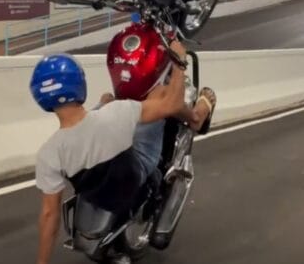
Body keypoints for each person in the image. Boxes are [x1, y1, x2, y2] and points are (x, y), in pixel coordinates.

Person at [30, 43, 216, 264]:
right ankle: (199, 115)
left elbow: (49, 216)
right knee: (160, 93)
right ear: (79, 84)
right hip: (138, 170)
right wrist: (179, 61)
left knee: (107, 98)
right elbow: (171, 104)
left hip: (102, 195)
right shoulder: (118, 113)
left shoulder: (49, 154)